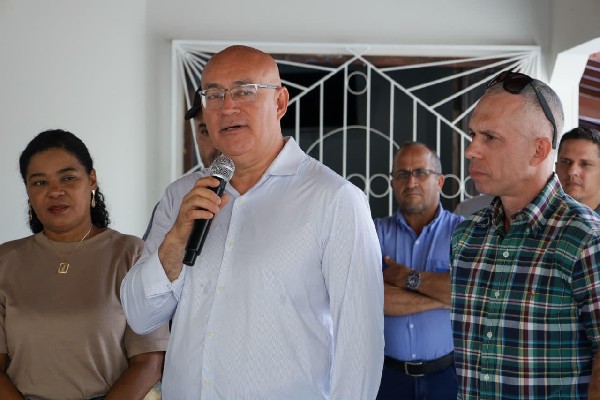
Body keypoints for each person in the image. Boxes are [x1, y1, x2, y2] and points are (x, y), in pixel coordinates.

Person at [120, 45, 384, 399]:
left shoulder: (334, 199)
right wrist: (176, 239)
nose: (227, 107)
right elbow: (140, 316)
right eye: (213, 94)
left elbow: (360, 341)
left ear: (280, 102)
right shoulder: (182, 196)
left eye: (244, 91)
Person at [451, 71, 600, 399]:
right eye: (473, 134)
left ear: (538, 150)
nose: (471, 150)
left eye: (490, 137)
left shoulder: (586, 240)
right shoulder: (466, 237)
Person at [0, 129, 170, 400]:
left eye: (68, 178)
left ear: (91, 180)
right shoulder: (5, 261)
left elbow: (149, 360)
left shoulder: (131, 254)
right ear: (28, 191)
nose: (55, 191)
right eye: (40, 182)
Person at [375, 142, 463, 400]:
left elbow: (470, 292)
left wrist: (404, 277)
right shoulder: (374, 233)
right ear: (392, 183)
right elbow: (375, 299)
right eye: (402, 174)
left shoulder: (463, 233)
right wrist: (443, 297)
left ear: (440, 181)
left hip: (447, 378)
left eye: (421, 173)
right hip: (388, 379)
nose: (411, 182)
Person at [142, 105, 219, 241]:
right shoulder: (177, 195)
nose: (217, 144)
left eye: (225, 130)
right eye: (206, 132)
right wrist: (178, 237)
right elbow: (149, 255)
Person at [555, 126, 600, 214]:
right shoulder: (538, 213)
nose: (571, 172)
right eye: (565, 162)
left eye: (585, 164)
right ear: (556, 167)